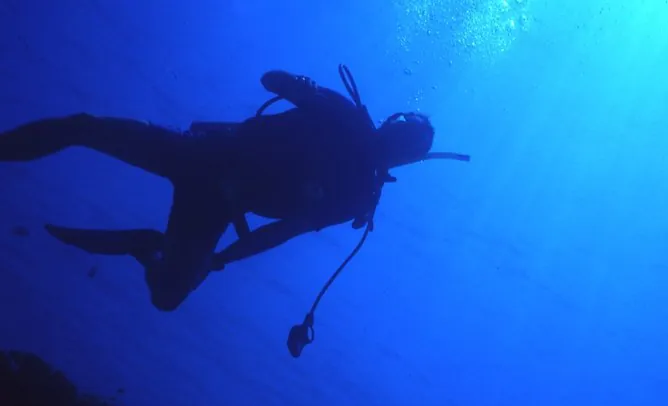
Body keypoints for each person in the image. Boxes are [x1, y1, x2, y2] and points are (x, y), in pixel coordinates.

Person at [0, 66, 462, 311]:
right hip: (202, 156)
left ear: (406, 156)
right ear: (391, 126)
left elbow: (284, 231)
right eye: (405, 131)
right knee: (85, 127)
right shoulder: (344, 118)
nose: (399, 140)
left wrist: (219, 259)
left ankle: (148, 247)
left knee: (167, 296)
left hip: (215, 191)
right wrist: (298, 86)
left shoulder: (358, 195)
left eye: (408, 142)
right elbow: (271, 80)